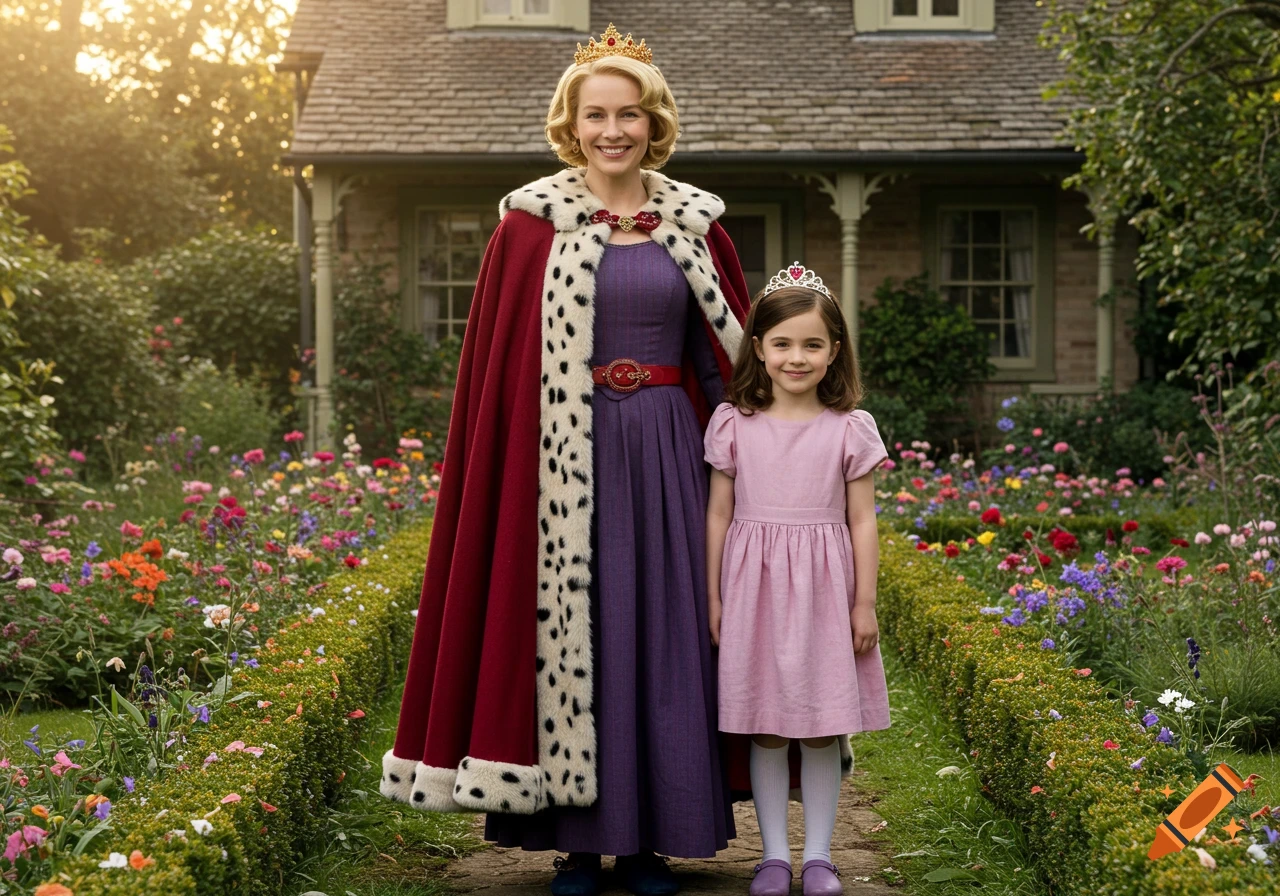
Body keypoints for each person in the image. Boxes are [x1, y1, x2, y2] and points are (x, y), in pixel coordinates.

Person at [378, 24, 752, 896]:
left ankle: (655, 838)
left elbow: (727, 362)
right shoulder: (527, 228)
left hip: (668, 454)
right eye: (597, 115)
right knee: (576, 636)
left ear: (654, 123)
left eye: (630, 114)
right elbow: (496, 378)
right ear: (571, 124)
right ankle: (579, 843)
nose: (613, 130)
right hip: (560, 466)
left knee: (663, 637)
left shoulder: (695, 225)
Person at [703, 266, 892, 896]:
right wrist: (714, 595)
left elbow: (862, 519)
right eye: (782, 343)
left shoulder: (848, 427)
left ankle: (818, 856)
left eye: (812, 344)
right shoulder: (735, 422)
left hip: (823, 590)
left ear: (835, 350)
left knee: (818, 723)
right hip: (754, 588)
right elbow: (719, 514)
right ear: (758, 347)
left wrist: (863, 602)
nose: (796, 357)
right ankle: (774, 857)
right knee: (766, 723)